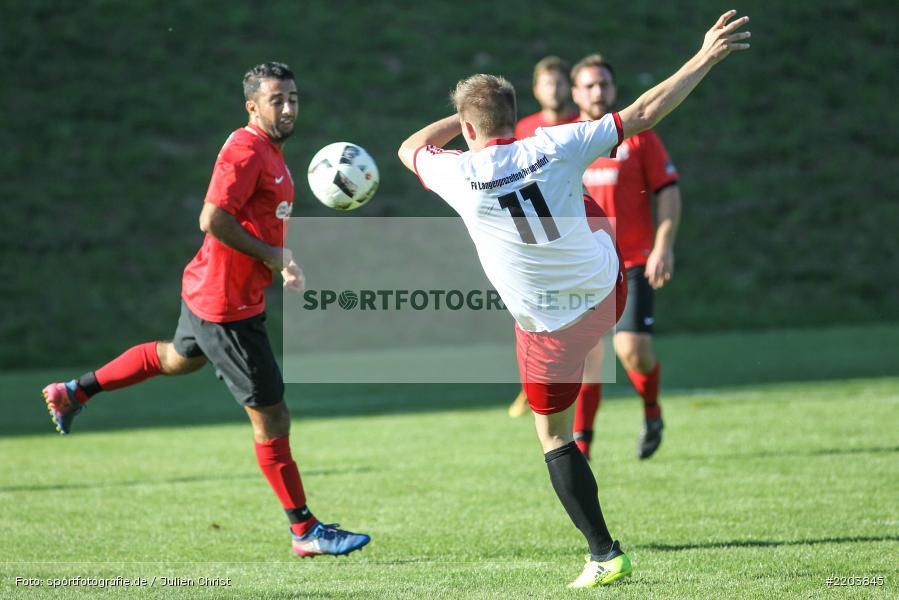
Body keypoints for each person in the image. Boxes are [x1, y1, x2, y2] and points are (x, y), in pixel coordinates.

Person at [398, 11, 749, 588]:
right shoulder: (556, 141)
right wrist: (705, 56)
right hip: (606, 291)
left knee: (553, 436)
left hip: (549, 326)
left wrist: (466, 120)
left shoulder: (455, 173)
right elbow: (644, 112)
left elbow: (410, 145)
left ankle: (604, 552)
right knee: (582, 203)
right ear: (515, 117)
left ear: (465, 128)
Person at [41, 62, 370, 558]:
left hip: (213, 288)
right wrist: (273, 256)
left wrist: (279, 259)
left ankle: (74, 391)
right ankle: (304, 530)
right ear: (252, 106)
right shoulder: (245, 150)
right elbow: (212, 218)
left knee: (175, 358)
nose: (287, 108)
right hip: (227, 304)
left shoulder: (270, 152)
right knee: (273, 417)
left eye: (293, 99)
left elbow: (256, 221)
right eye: (276, 100)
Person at [570, 53, 682, 460]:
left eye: (604, 84)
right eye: (590, 85)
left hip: (632, 261)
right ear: (576, 92)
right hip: (582, 267)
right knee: (586, 356)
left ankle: (652, 410)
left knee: (631, 351)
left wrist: (664, 246)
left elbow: (668, 190)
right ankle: (582, 445)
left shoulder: (639, 137)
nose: (599, 91)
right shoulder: (566, 141)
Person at [513, 56, 578, 140]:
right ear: (536, 90)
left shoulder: (583, 125)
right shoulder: (523, 129)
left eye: (559, 83)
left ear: (569, 87)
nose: (553, 90)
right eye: (548, 84)